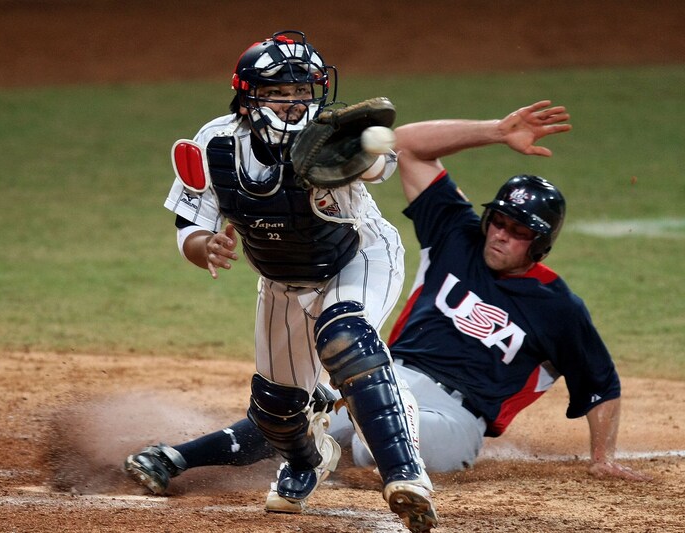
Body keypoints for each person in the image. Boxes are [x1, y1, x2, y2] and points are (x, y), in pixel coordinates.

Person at [124, 99, 650, 516]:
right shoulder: (457, 237)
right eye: (499, 220)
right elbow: (408, 147)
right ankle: (176, 458)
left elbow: (600, 382)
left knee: (368, 435)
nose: (501, 235)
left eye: (519, 232)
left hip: (455, 418)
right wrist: (494, 130)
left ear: (539, 244)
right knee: (297, 410)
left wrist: (602, 458)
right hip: (387, 376)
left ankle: (357, 455)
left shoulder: (558, 306)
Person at [125, 30, 437, 532]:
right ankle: (307, 460)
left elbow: (377, 164)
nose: (294, 103)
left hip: (359, 257)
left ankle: (406, 477)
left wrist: (364, 151)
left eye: (302, 92)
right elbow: (190, 225)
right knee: (276, 411)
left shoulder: (334, 137)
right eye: (279, 92)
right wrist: (203, 247)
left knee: (346, 336)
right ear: (248, 96)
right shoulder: (215, 144)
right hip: (282, 281)